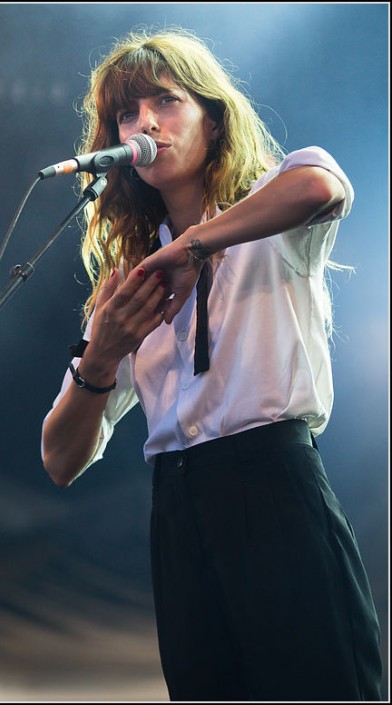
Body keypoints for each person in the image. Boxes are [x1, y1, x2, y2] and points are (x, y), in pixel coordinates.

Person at [41, 27, 382, 701]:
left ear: (213, 114)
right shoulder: (130, 286)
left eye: (165, 102)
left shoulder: (271, 210)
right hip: (178, 515)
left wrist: (195, 245)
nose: (144, 124)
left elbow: (321, 185)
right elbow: (59, 457)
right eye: (126, 113)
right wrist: (103, 354)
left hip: (275, 491)